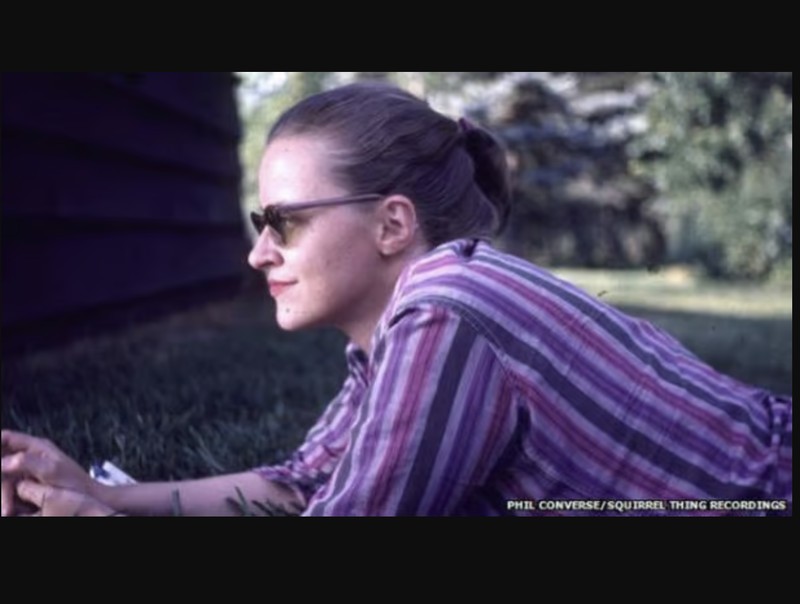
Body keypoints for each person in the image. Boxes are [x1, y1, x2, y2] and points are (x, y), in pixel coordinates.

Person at [1, 81, 792, 517]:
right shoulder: (399, 328)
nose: (257, 252)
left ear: (392, 223)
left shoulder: (447, 307)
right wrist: (100, 491)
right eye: (258, 222)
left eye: (285, 222)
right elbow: (299, 485)